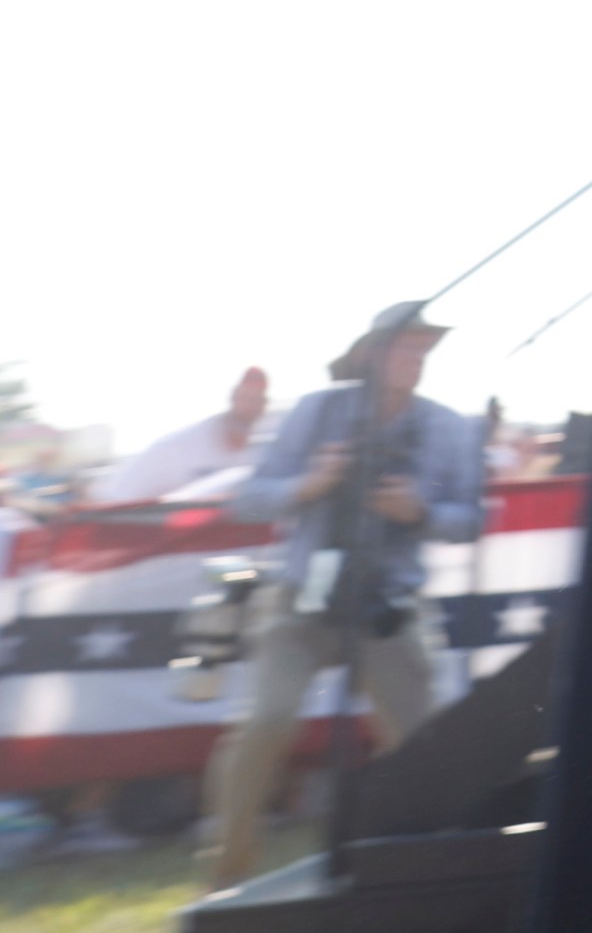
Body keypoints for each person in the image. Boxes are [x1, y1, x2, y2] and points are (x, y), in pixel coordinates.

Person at [201, 303, 484, 890]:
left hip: (387, 604)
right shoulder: (316, 412)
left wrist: (420, 510)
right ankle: (228, 868)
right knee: (267, 720)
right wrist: (311, 483)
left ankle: (407, 871)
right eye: (404, 346)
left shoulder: (448, 427)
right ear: (371, 354)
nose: (415, 359)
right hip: (303, 598)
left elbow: (471, 519)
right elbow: (247, 499)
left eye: (422, 348)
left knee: (417, 743)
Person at [93, 366, 280, 507]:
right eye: (247, 398)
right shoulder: (178, 447)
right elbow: (118, 498)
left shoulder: (254, 452)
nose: (252, 407)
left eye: (259, 400)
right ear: (234, 398)